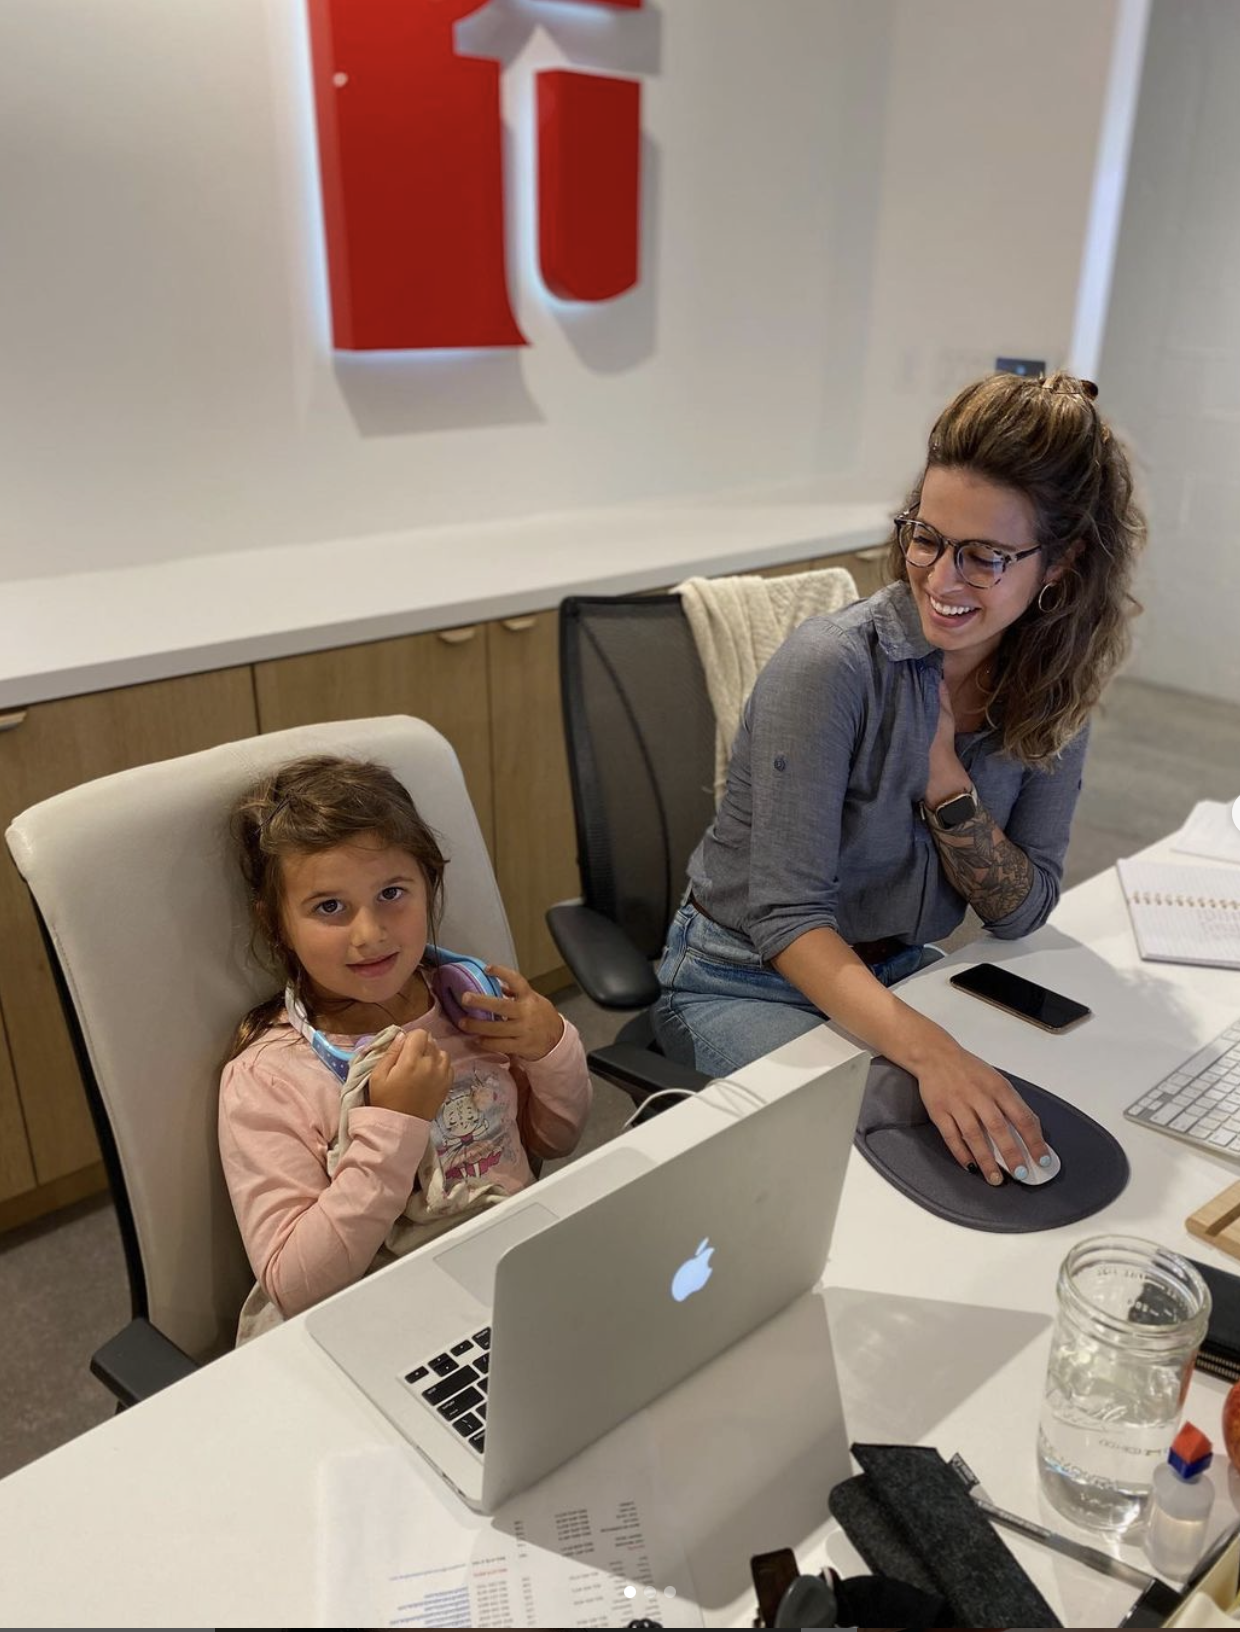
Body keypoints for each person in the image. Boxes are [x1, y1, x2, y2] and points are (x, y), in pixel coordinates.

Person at [653, 371, 1145, 1186]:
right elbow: (785, 920)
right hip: (738, 979)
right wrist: (934, 1052)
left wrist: (948, 787)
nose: (941, 579)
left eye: (984, 557)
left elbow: (1022, 909)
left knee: (1045, 1095)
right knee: (903, 1133)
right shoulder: (832, 668)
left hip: (896, 969)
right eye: (927, 536)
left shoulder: (1055, 691)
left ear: (1060, 563)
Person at [218, 754, 591, 1341]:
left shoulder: (472, 1007)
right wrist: (392, 1124)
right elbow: (295, 1285)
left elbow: (555, 1140)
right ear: (276, 923)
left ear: (429, 884)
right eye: (329, 907)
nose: (370, 933)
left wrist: (550, 1049)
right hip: (368, 1327)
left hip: (504, 1287)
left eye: (392, 892)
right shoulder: (271, 1078)